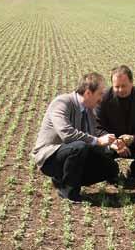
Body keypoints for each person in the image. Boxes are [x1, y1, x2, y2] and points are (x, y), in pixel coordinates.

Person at [32, 72, 119, 203]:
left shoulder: (89, 110)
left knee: (111, 168)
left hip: (74, 155)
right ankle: (68, 191)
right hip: (50, 157)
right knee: (79, 146)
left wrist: (110, 146)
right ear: (88, 93)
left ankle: (62, 178)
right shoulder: (62, 102)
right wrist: (98, 141)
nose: (101, 98)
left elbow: (92, 139)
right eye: (100, 94)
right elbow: (67, 134)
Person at [96, 65, 135, 185]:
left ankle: (134, 174)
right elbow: (97, 127)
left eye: (124, 86)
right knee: (99, 151)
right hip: (111, 141)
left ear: (132, 82)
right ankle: (111, 174)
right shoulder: (103, 98)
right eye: (116, 87)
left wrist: (134, 138)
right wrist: (115, 142)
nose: (120, 90)